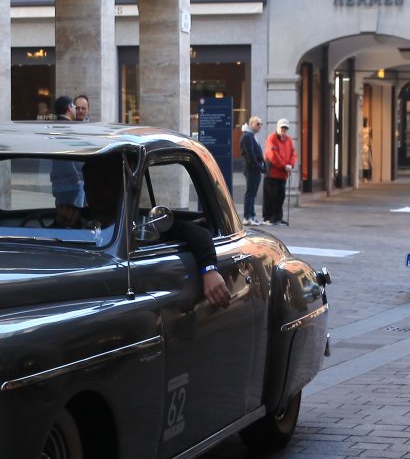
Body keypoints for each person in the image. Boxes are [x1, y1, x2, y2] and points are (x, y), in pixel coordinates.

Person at [80, 156, 229, 307]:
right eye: (91, 184)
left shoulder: (142, 222)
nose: (97, 191)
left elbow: (197, 233)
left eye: (105, 183)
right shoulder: (76, 221)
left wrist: (209, 270)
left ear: (119, 186)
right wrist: (69, 221)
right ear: (85, 188)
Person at [50, 95, 84, 218]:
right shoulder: (68, 128)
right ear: (69, 108)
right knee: (73, 216)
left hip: (57, 180)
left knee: (62, 213)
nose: (76, 110)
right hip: (70, 181)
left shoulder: (54, 127)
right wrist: (76, 178)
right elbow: (69, 157)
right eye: (74, 106)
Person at [262, 119, 296, 226]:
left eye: (285, 128)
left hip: (283, 174)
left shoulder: (289, 140)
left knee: (280, 196)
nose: (283, 130)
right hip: (272, 173)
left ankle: (278, 217)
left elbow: (293, 153)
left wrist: (291, 165)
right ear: (277, 127)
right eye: (282, 128)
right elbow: (273, 155)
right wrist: (284, 165)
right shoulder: (271, 138)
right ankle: (269, 217)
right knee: (270, 196)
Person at [239, 116, 265, 224]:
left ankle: (252, 215)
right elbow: (250, 155)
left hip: (256, 168)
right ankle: (247, 217)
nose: (260, 126)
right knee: (250, 193)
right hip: (251, 169)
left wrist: (263, 165)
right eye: (257, 124)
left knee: (253, 193)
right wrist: (260, 166)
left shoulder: (253, 136)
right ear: (251, 124)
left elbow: (258, 153)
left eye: (261, 124)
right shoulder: (247, 136)